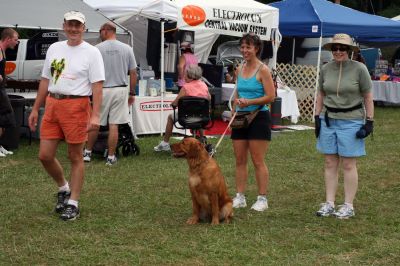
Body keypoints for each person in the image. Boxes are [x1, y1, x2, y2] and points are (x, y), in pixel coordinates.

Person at [28, 11, 105, 221]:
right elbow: (45, 80)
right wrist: (36, 108)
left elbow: (97, 86)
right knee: (44, 155)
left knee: (75, 156)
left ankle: (73, 203)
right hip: (53, 104)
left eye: (77, 25)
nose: (73, 29)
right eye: (70, 25)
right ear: (64, 26)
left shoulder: (92, 52)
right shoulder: (54, 48)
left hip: (77, 105)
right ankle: (64, 188)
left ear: (83, 28)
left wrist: (95, 115)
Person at [314, 33, 374, 219]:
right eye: (335, 48)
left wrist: (369, 122)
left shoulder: (360, 69)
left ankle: (348, 205)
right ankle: (330, 203)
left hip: (352, 120)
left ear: (349, 50)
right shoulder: (326, 68)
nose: (338, 51)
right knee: (330, 161)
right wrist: (316, 117)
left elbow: (368, 96)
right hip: (328, 119)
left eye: (342, 48)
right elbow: (321, 94)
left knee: (348, 163)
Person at [230, 33, 276, 212]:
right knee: (240, 159)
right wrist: (235, 103)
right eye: (242, 47)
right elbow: (238, 92)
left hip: (259, 117)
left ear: (256, 49)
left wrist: (249, 102)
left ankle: (262, 198)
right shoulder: (239, 68)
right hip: (241, 118)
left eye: (248, 47)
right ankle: (240, 196)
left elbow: (271, 97)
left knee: (258, 160)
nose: (244, 50)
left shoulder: (263, 69)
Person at [83, 22, 137, 165]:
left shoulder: (96, 49)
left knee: (96, 123)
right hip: (120, 89)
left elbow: (89, 73)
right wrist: (132, 92)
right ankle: (111, 157)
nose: (100, 34)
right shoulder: (127, 48)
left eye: (100, 31)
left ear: (106, 31)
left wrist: (89, 93)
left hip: (101, 89)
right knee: (114, 125)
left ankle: (87, 153)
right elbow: (133, 72)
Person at [154, 65, 210, 152]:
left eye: (186, 75)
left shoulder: (186, 87)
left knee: (170, 117)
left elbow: (175, 103)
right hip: (202, 117)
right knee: (200, 113)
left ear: (191, 76)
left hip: (185, 117)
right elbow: (208, 99)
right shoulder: (204, 85)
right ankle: (203, 138)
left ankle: (165, 143)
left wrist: (172, 104)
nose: (184, 76)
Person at [0, 28, 19, 157]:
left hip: (1, 88)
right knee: (4, 116)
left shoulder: (3, 50)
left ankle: (0, 146)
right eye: (15, 39)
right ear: (8, 39)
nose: (17, 42)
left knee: (4, 118)